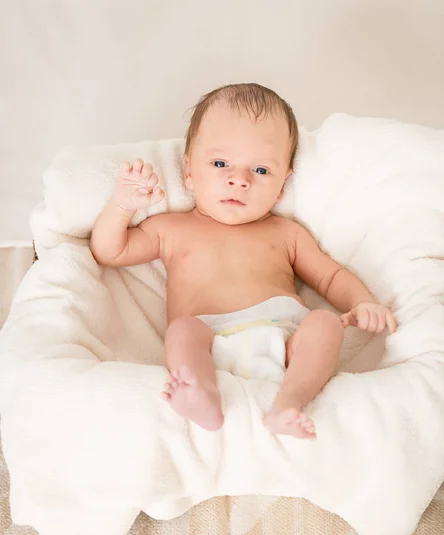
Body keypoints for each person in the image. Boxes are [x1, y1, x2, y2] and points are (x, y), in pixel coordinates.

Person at [90, 83, 397, 440]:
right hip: (208, 336)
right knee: (182, 332)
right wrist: (122, 205)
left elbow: (330, 278)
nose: (239, 180)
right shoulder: (171, 228)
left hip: (285, 339)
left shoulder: (286, 233)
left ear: (283, 185)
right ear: (189, 171)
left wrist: (362, 302)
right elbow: (110, 252)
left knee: (326, 324)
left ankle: (289, 402)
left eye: (262, 171)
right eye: (220, 164)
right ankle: (201, 392)